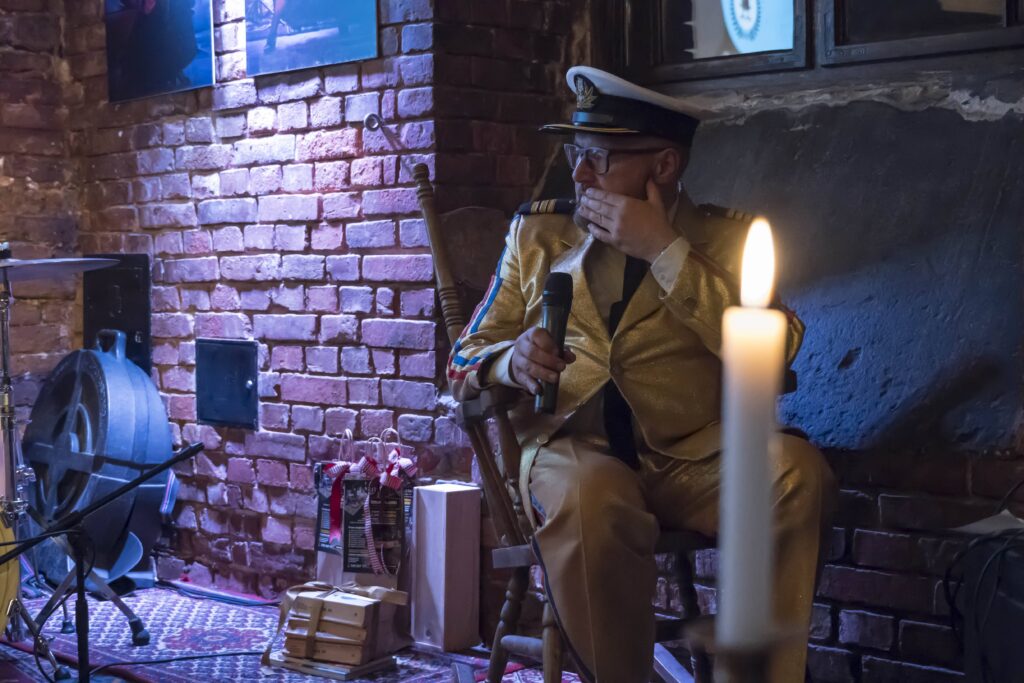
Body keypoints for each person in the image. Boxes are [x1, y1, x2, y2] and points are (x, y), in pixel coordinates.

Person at [447, 65, 837, 683]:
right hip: (572, 447)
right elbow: (464, 356)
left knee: (796, 473)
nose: (579, 174)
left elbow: (779, 345)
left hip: (689, 457)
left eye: (598, 158)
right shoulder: (539, 233)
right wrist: (509, 359)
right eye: (576, 154)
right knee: (594, 499)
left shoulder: (726, 239)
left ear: (663, 166)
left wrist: (666, 250)